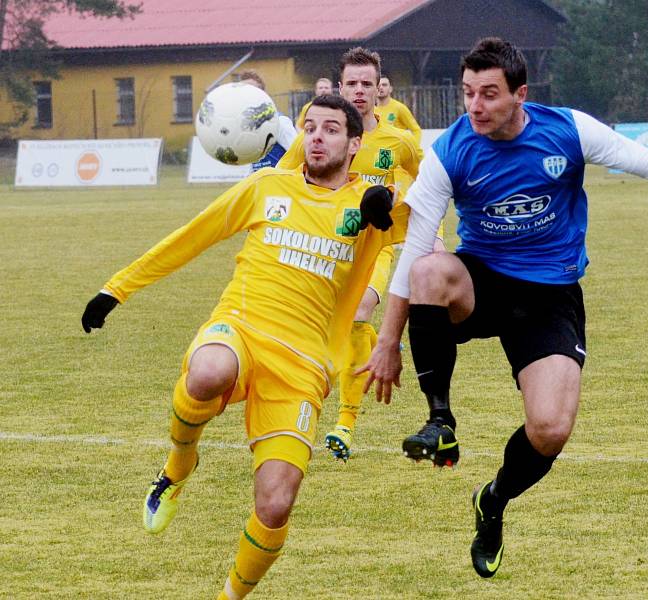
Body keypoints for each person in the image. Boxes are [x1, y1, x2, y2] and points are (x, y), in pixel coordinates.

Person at [360, 37, 648, 579]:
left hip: (548, 297)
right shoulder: (452, 150)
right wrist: (388, 342)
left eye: (489, 94)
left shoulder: (566, 129)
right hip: (481, 282)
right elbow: (416, 246)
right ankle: (440, 420)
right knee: (428, 269)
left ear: (521, 94)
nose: (475, 107)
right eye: (468, 93)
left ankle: (492, 501)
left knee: (550, 429)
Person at [81, 94, 407, 599]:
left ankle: (230, 596)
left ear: (355, 143)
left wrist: (387, 207)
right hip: (242, 329)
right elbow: (194, 235)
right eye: (310, 128)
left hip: (301, 366)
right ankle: (180, 462)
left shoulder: (369, 205)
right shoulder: (266, 186)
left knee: (276, 503)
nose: (317, 137)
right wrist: (117, 288)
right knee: (208, 371)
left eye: (331, 130)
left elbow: (423, 218)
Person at [278, 47, 432, 462]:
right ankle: (298, 407)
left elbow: (432, 182)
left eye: (367, 83)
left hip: (374, 248)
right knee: (316, 332)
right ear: (340, 86)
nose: (360, 91)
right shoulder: (320, 133)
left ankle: (346, 422)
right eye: (352, 83)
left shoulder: (397, 142)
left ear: (378, 87)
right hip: (322, 247)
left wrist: (424, 226)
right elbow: (280, 180)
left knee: (361, 311)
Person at [238, 69, 298, 169]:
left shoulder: (279, 122)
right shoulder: (249, 127)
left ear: (263, 94)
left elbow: (298, 155)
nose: (247, 95)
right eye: (243, 91)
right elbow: (254, 166)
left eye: (252, 90)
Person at [375, 74, 423, 144]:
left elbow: (416, 130)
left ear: (390, 89)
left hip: (394, 150)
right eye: (378, 86)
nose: (381, 88)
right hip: (378, 149)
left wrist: (413, 148)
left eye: (384, 85)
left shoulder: (399, 108)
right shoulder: (371, 110)